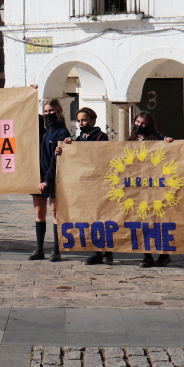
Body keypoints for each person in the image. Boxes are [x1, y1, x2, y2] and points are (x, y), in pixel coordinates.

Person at [58, 107, 113, 265]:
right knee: (90, 219)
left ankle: (107, 251)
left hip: (99, 185)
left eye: (84, 120)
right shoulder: (79, 138)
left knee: (102, 218)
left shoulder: (101, 137)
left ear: (93, 121)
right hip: (85, 186)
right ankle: (97, 251)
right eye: (79, 121)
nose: (82, 123)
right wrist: (66, 147)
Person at [127, 111, 175, 268]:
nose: (139, 126)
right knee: (142, 221)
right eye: (137, 122)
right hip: (138, 188)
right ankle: (147, 255)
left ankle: (164, 254)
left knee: (159, 220)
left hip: (157, 188)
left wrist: (169, 143)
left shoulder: (159, 140)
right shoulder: (130, 142)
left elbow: (172, 154)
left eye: (143, 123)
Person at [29, 98, 70, 262]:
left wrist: (47, 179)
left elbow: (56, 159)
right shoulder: (43, 129)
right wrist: (32, 93)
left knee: (55, 212)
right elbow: (26, 111)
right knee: (39, 212)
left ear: (58, 111)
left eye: (51, 111)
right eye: (46, 111)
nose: (48, 114)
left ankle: (56, 250)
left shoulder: (63, 132)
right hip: (38, 175)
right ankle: (39, 249)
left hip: (53, 177)